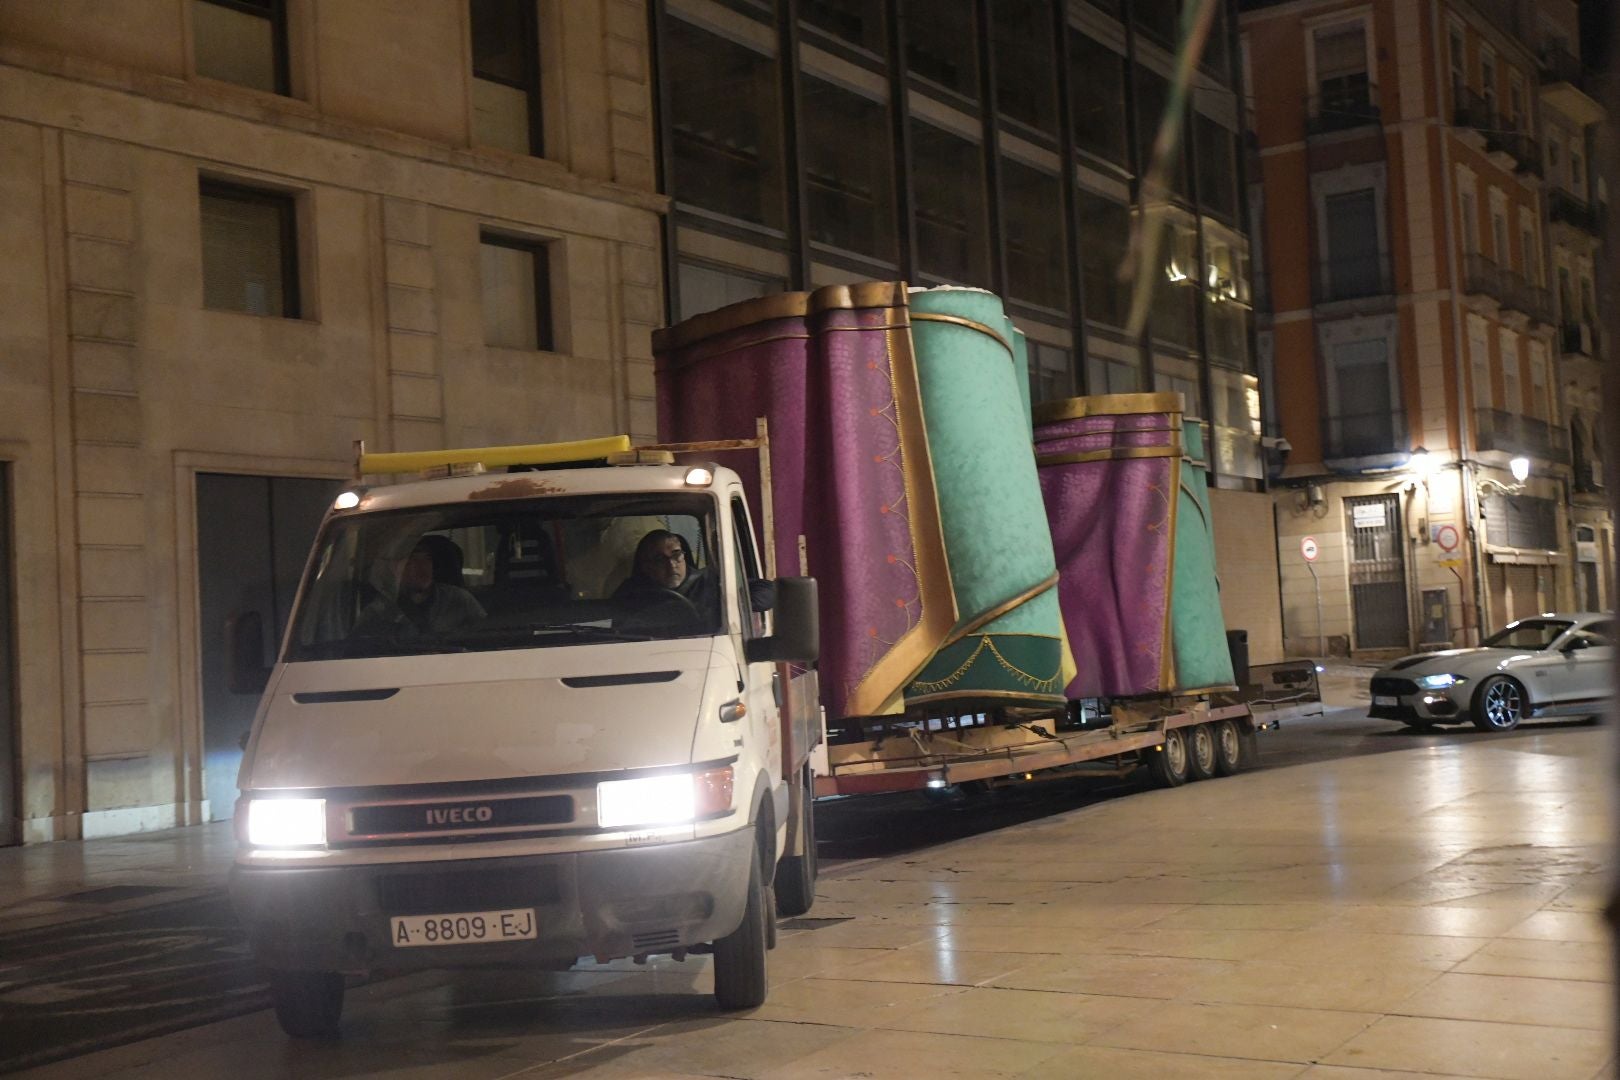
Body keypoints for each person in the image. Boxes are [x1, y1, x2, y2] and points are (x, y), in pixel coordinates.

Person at [357, 536, 485, 636]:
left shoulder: (459, 600)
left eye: (427, 559)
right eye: (412, 560)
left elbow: (485, 634)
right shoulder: (380, 611)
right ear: (396, 567)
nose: (422, 566)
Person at [612, 529, 717, 624]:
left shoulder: (707, 584)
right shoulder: (631, 593)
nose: (671, 565)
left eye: (676, 555)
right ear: (646, 566)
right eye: (660, 560)